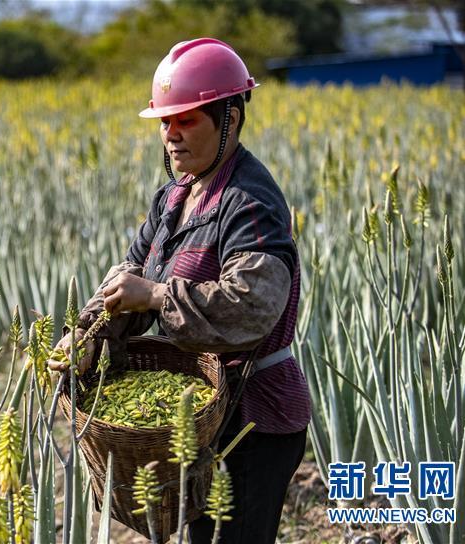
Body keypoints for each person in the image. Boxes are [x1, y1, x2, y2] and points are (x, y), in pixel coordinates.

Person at [48, 38, 312, 543]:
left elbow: (251, 306)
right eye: (165, 122)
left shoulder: (249, 202)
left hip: (256, 420)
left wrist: (156, 297)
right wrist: (85, 335)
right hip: (200, 414)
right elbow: (129, 278)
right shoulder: (175, 196)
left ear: (230, 118)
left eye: (186, 120)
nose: (170, 135)